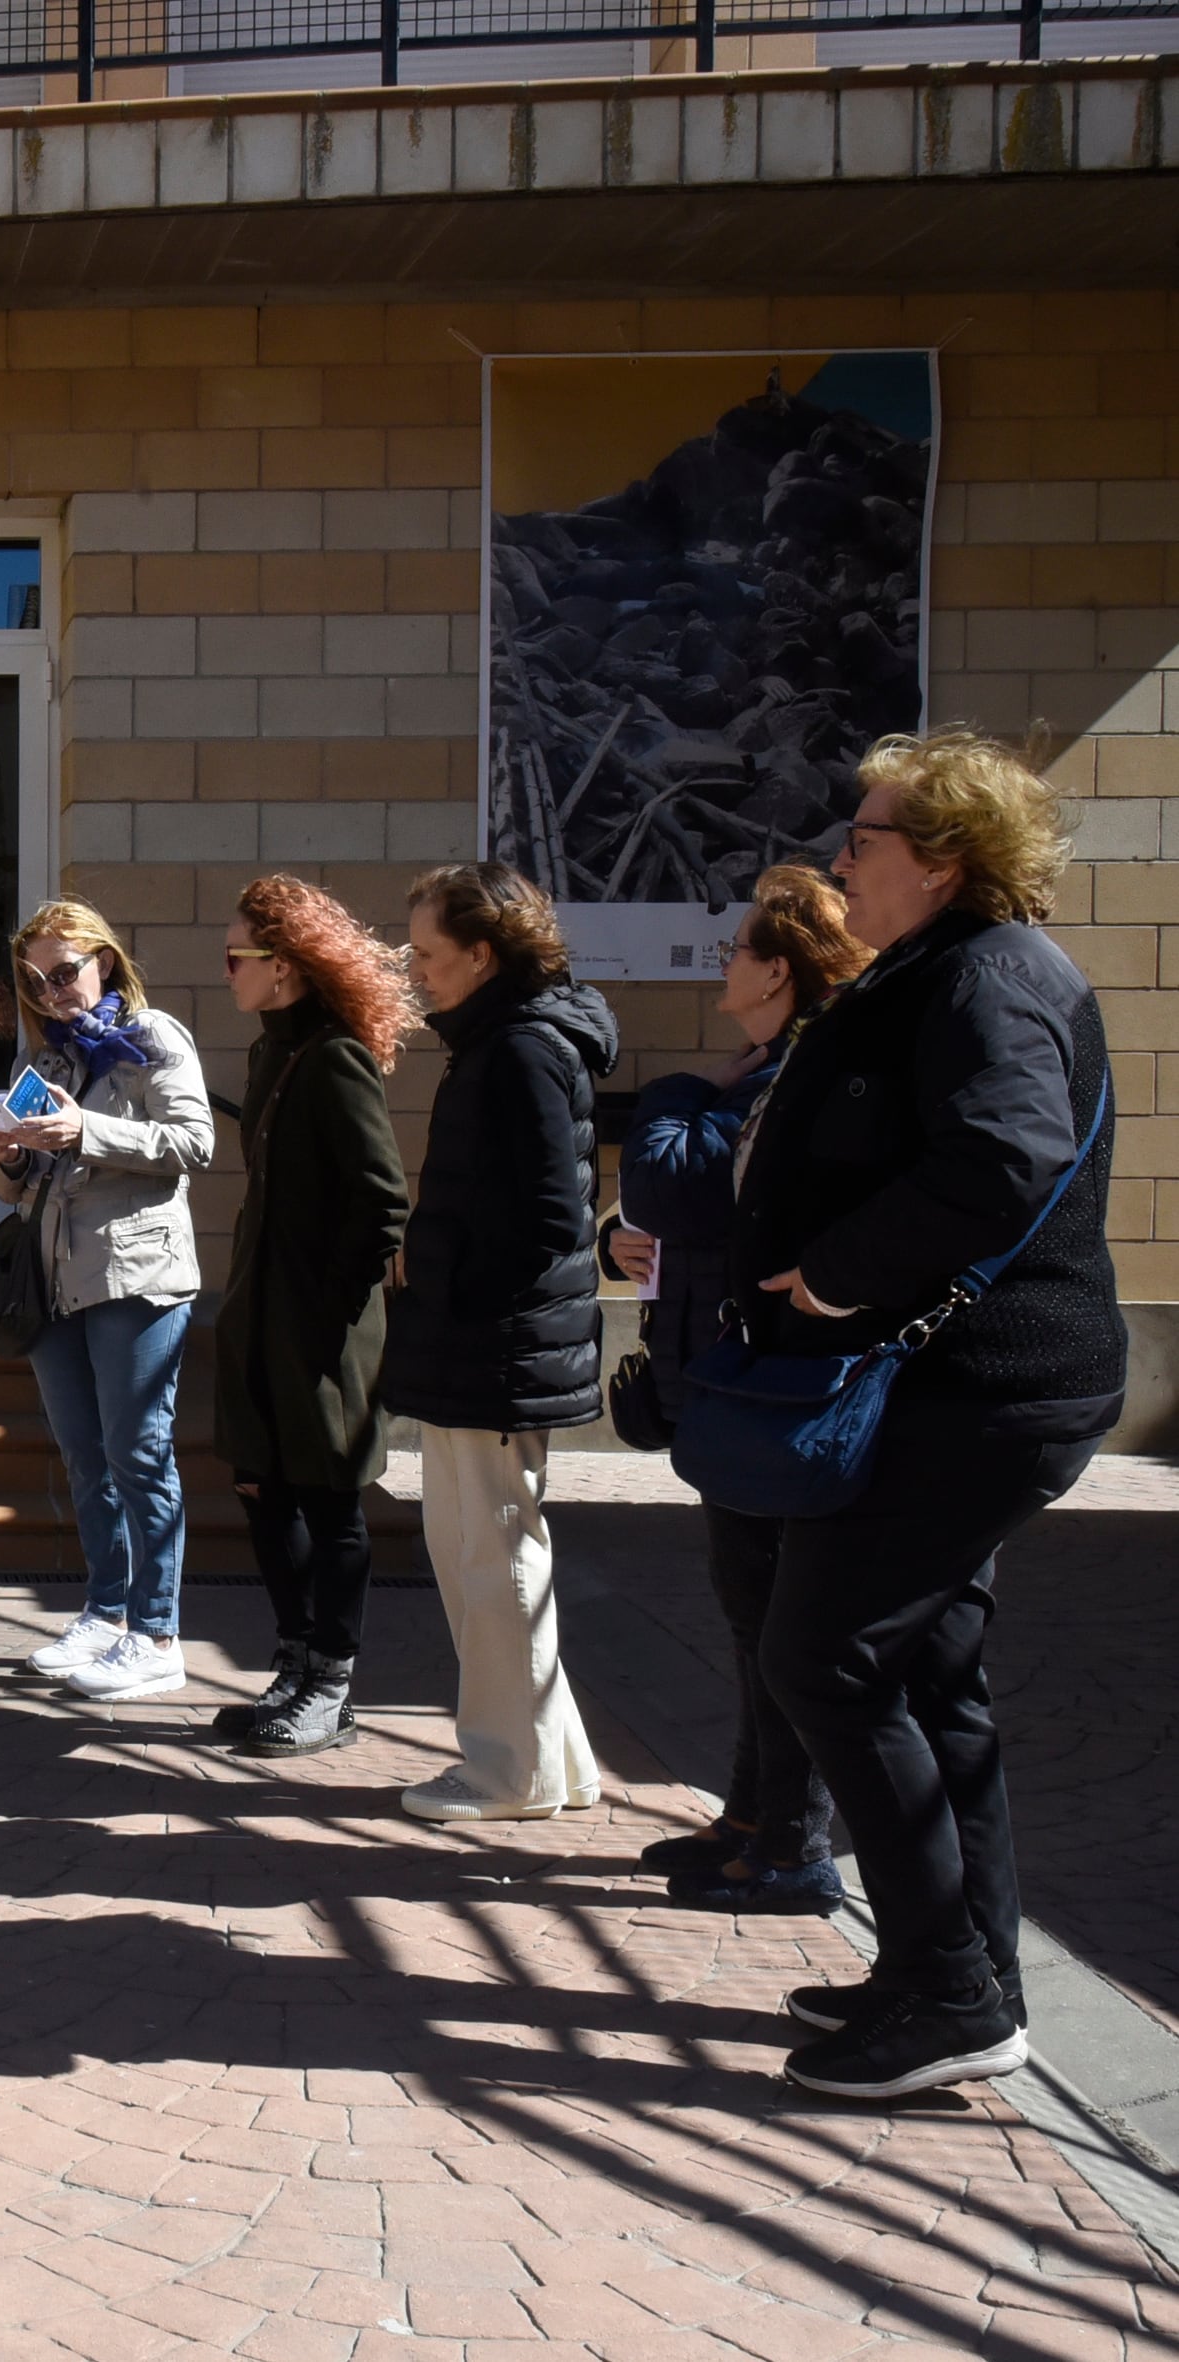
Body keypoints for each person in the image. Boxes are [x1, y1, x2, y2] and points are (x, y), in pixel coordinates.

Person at [733, 732, 1123, 2099]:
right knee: (920, 1675)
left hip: (983, 1389)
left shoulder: (989, 976)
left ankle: (949, 1988)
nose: (843, 853)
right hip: (963, 1386)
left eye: (866, 835)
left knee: (825, 1654)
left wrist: (837, 1273)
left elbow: (1001, 1154)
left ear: (942, 860)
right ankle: (952, 1973)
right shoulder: (944, 970)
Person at [606, 868, 870, 1913]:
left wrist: (681, 1091)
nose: (723, 962)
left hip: (771, 1385)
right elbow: (666, 1213)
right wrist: (618, 1238)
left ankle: (790, 1846)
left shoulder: (781, 1081)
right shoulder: (765, 1072)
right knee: (747, 1611)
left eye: (738, 949)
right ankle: (754, 1815)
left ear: (778, 970)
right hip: (729, 1378)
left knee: (776, 1619)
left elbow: (673, 1178)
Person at [380, 862, 614, 1824]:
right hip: (491, 1340)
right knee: (489, 1548)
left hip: (492, 1343)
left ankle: (504, 1772)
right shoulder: (512, 1042)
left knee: (492, 1556)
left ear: (483, 953)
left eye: (430, 955)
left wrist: (430, 1265)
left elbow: (545, 1218)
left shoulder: (517, 1050)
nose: (416, 972)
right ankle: (550, 1762)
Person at [0, 901, 215, 1702]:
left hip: (134, 1278)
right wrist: (5, 1154)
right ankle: (106, 1613)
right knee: (86, 1458)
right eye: (35, 982)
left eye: (64, 972)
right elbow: (14, 1187)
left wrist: (86, 1130)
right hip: (52, 1278)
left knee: (137, 1452)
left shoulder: (153, 1040)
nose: (52, 993)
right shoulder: (43, 1057)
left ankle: (158, 1634)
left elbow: (194, 1144)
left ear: (104, 962)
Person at [211, 876, 413, 1757]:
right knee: (262, 1486)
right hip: (260, 1314)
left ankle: (331, 1683)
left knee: (331, 1504)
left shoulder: (334, 1058)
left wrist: (326, 1315)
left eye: (235, 958)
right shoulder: (272, 1056)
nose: (224, 973)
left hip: (320, 1328)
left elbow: (380, 1203)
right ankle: (294, 1663)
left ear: (284, 968)